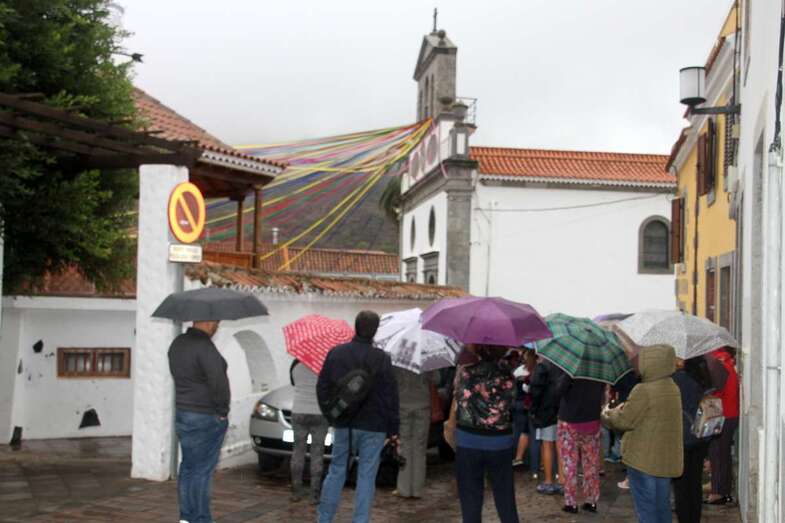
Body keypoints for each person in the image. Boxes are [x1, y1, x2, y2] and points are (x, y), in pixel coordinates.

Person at [316, 311, 400, 523]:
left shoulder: (336, 353)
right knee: (366, 476)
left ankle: (324, 518)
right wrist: (393, 429)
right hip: (374, 426)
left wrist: (331, 415)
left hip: (344, 423)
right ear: (375, 330)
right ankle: (360, 520)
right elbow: (390, 396)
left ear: (355, 326)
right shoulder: (381, 358)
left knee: (337, 470)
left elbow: (322, 387)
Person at [602, 345, 683, 523]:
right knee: (662, 508)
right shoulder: (672, 387)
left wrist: (608, 414)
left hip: (643, 459)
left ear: (650, 362)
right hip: (664, 459)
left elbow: (624, 421)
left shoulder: (643, 390)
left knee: (646, 510)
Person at [168, 320, 230, 523]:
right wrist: (222, 411)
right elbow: (218, 382)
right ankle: (201, 519)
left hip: (184, 412)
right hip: (205, 416)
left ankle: (186, 517)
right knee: (202, 471)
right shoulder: (204, 346)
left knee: (188, 467)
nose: (217, 327)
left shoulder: (178, 343)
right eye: (216, 323)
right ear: (208, 322)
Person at [453, 344, 520, 523]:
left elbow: (458, 397)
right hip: (499, 440)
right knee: (504, 495)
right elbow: (511, 402)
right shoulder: (507, 375)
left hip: (468, 439)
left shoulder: (465, 372)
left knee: (470, 497)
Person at [555, 373, 605, 514]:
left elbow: (558, 390)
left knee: (569, 463)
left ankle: (571, 503)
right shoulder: (599, 370)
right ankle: (591, 501)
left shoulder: (572, 370)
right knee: (591, 463)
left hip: (569, 421)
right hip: (592, 420)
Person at [672, 356, 712, 522]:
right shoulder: (704, 379)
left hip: (681, 438)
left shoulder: (676, 379)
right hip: (700, 436)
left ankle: (684, 518)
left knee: (681, 485)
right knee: (695, 483)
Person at [290, 359, 329, 504]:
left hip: (299, 410)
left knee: (298, 452)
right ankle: (314, 494)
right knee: (317, 454)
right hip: (319, 412)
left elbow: (294, 383)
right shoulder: (324, 367)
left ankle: (296, 492)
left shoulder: (295, 365)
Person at [705, 347, 739, 505]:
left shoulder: (718, 365)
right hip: (730, 413)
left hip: (722, 414)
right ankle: (721, 489)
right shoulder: (727, 362)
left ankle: (718, 492)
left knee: (717, 454)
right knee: (722, 454)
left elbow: (717, 391)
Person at [393, 366, 432, 499]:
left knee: (404, 446)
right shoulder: (426, 359)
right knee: (420, 447)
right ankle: (417, 489)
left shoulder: (398, 360)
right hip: (423, 404)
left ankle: (404, 488)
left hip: (403, 404)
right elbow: (437, 380)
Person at [530, 356, 563, 495]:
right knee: (561, 446)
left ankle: (548, 481)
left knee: (547, 445)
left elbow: (535, 391)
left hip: (545, 411)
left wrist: (533, 409)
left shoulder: (542, 367)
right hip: (562, 411)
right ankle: (562, 481)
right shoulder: (564, 366)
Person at [512, 350, 538, 470]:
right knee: (532, 434)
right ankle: (533, 463)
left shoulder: (518, 370)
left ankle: (516, 457)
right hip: (531, 404)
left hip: (518, 403)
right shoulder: (537, 371)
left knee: (519, 431)